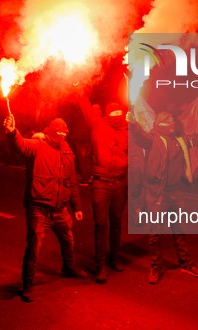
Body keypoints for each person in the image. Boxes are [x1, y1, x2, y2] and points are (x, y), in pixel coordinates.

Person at [129, 110, 198, 284]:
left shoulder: (180, 140)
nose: (174, 126)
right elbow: (140, 135)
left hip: (175, 193)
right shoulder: (153, 139)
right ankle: (155, 267)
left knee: (179, 231)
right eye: (171, 124)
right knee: (155, 233)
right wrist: (134, 123)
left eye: (174, 123)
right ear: (163, 126)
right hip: (157, 193)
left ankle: (186, 264)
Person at [4, 114, 87, 303]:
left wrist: (77, 207)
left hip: (60, 210)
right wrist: (12, 132)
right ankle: (28, 283)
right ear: (49, 132)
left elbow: (71, 181)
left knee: (68, 241)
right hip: (39, 210)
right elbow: (21, 145)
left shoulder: (67, 151)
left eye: (64, 133)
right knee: (33, 248)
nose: (62, 136)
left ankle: (69, 267)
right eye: (58, 132)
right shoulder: (38, 145)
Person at [76, 93, 128, 284]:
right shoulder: (98, 124)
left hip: (120, 183)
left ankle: (113, 257)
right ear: (107, 115)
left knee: (116, 222)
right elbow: (85, 105)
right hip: (100, 183)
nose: (116, 115)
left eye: (119, 112)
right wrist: (78, 87)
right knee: (100, 225)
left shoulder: (129, 129)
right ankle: (100, 265)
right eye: (113, 112)